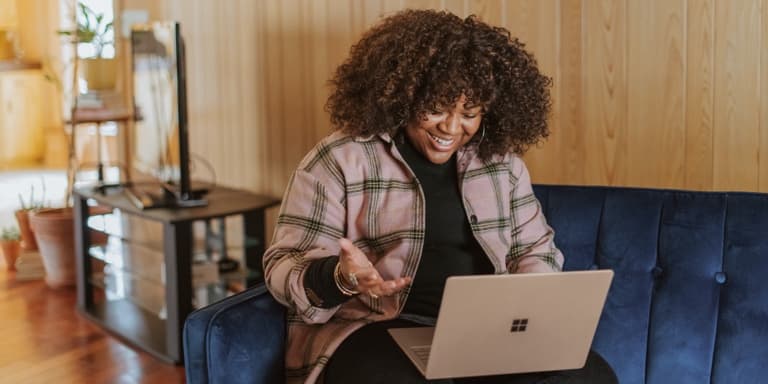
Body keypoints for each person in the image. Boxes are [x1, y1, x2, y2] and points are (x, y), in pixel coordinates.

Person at [263, 9, 617, 384]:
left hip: (483, 333)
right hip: (373, 327)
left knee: (591, 376)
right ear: (404, 96)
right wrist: (340, 277)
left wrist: (528, 303)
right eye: (436, 109)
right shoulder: (340, 159)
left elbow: (535, 250)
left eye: (469, 113)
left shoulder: (502, 165)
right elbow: (282, 265)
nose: (450, 127)